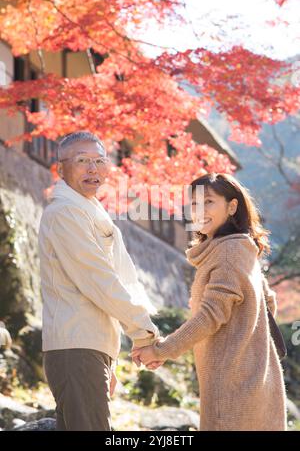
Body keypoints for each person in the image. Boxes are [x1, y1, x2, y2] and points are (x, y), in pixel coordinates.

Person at [132, 173, 287, 431]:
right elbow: (268, 304)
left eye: (209, 202)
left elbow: (209, 316)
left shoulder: (227, 252)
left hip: (231, 390)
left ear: (232, 206)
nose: (199, 211)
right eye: (193, 204)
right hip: (257, 380)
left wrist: (162, 350)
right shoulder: (241, 248)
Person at [39, 131, 160, 431]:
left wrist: (110, 358)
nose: (92, 169)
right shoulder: (65, 213)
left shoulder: (88, 211)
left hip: (88, 348)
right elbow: (98, 279)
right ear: (61, 169)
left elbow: (117, 278)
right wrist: (142, 329)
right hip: (77, 348)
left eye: (99, 161)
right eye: (82, 161)